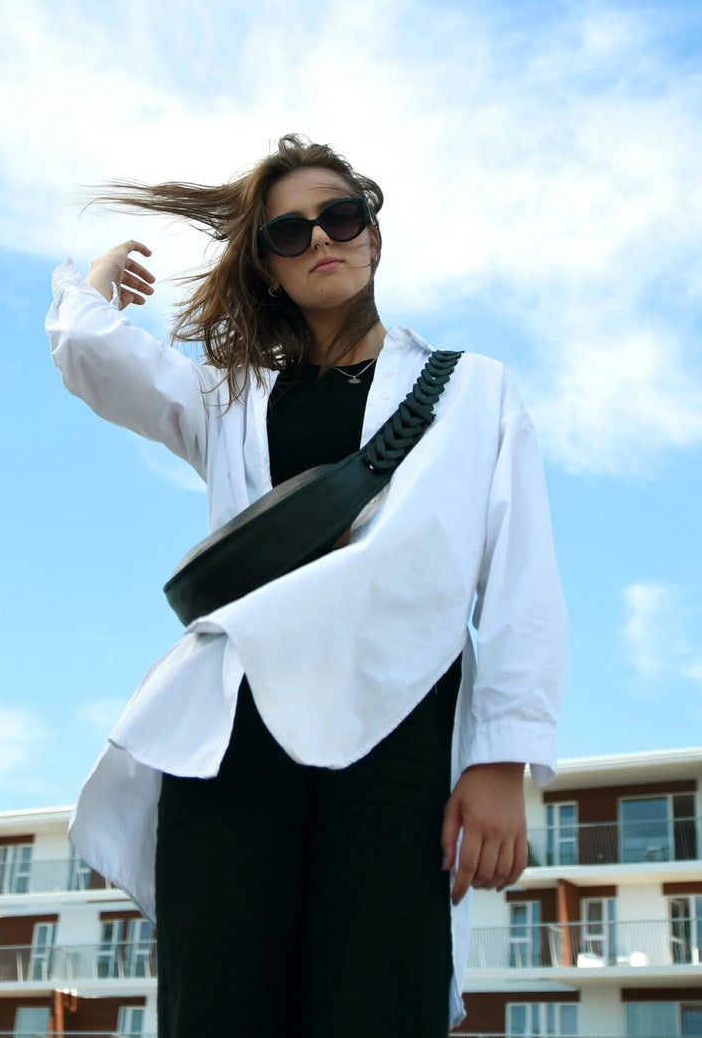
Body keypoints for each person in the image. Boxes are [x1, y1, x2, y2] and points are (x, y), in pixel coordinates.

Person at [46, 133, 566, 1038]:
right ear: (269, 269)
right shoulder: (231, 396)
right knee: (218, 1000)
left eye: (340, 215)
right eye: (287, 232)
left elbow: (520, 574)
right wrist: (89, 282)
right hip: (236, 726)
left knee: (380, 995)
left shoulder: (472, 390)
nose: (319, 237)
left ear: (372, 233)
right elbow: (94, 357)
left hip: (400, 727)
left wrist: (500, 757)